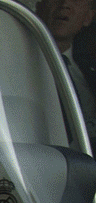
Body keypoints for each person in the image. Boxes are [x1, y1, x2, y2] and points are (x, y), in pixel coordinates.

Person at [39, 0, 96, 137]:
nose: (64, 3)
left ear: (88, 17)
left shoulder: (88, 70)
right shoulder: (20, 64)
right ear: (40, 7)